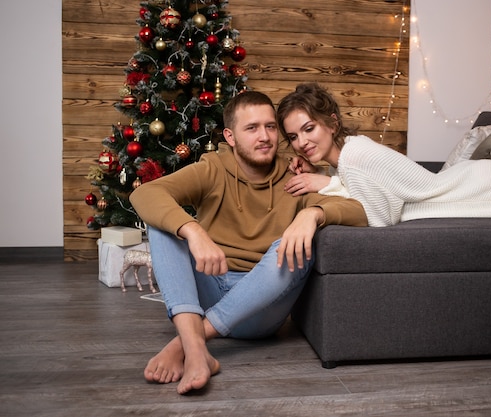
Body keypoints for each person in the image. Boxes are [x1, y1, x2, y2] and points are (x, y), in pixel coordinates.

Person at [129, 91, 367, 395]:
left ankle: (187, 345)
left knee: (296, 245)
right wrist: (194, 230)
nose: (265, 136)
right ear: (230, 136)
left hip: (261, 309)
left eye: (270, 127)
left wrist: (313, 215)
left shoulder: (295, 176)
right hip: (210, 290)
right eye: (251, 128)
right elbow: (145, 194)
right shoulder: (212, 169)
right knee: (163, 226)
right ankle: (198, 351)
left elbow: (359, 211)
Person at [278, 65, 491, 227]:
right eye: (293, 137)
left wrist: (327, 184)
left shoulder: (354, 155)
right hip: (473, 179)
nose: (302, 142)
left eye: (309, 129)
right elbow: (373, 192)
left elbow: (381, 218)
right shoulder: (350, 153)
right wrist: (326, 173)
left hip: (472, 189)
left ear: (332, 123)